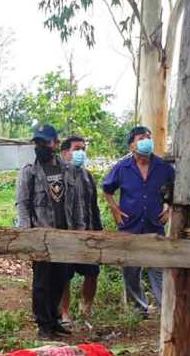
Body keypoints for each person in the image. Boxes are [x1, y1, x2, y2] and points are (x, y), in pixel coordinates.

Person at [16, 123, 88, 339]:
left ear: (56, 144)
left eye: (45, 142)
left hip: (65, 235)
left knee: (61, 279)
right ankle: (44, 325)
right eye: (37, 142)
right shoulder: (29, 171)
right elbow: (23, 203)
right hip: (41, 236)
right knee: (42, 282)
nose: (40, 146)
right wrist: (27, 235)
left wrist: (80, 231)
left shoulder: (68, 170)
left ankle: (55, 320)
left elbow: (77, 204)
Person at [101, 126, 175, 317]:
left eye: (148, 137)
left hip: (154, 224)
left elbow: (175, 190)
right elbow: (107, 188)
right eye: (141, 137)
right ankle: (138, 309)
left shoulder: (163, 167)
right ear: (132, 145)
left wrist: (169, 209)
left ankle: (164, 308)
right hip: (130, 225)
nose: (146, 140)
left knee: (158, 267)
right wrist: (115, 209)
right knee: (131, 269)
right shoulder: (122, 167)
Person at [59, 135, 101, 324]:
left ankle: (86, 308)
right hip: (67, 233)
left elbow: (94, 205)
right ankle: (65, 312)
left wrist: (98, 230)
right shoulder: (58, 175)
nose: (81, 153)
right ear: (65, 152)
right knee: (65, 275)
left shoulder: (87, 176)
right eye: (77, 149)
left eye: (83, 149)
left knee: (92, 272)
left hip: (88, 232)